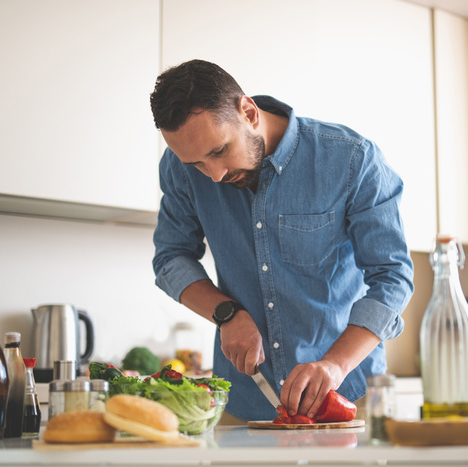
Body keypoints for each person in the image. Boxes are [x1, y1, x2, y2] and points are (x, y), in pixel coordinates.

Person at [150, 59, 414, 422]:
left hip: (346, 395)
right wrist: (227, 314)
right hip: (243, 404)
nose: (214, 175)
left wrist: (334, 366)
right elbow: (170, 259)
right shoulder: (179, 169)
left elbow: (393, 278)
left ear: (248, 112)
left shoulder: (352, 159)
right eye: (196, 164)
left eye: (218, 151)